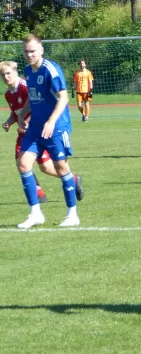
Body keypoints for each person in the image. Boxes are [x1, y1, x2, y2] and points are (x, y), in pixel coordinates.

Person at [16, 34, 83, 229]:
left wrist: (52, 121)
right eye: (26, 52)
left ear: (41, 50)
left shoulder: (50, 70)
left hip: (56, 128)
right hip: (36, 127)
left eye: (33, 51)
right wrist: (22, 114)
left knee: (61, 168)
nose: (29, 55)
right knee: (23, 164)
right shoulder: (28, 71)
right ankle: (35, 213)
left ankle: (72, 215)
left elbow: (63, 98)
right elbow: (33, 96)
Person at [1, 60, 84, 206]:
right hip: (25, 134)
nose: (6, 77)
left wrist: (28, 122)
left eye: (8, 73)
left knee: (45, 167)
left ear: (15, 71)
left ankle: (72, 179)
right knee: (22, 164)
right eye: (3, 75)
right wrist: (9, 121)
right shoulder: (8, 94)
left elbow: (38, 106)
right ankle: (38, 194)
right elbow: (17, 112)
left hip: (39, 129)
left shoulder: (25, 86)